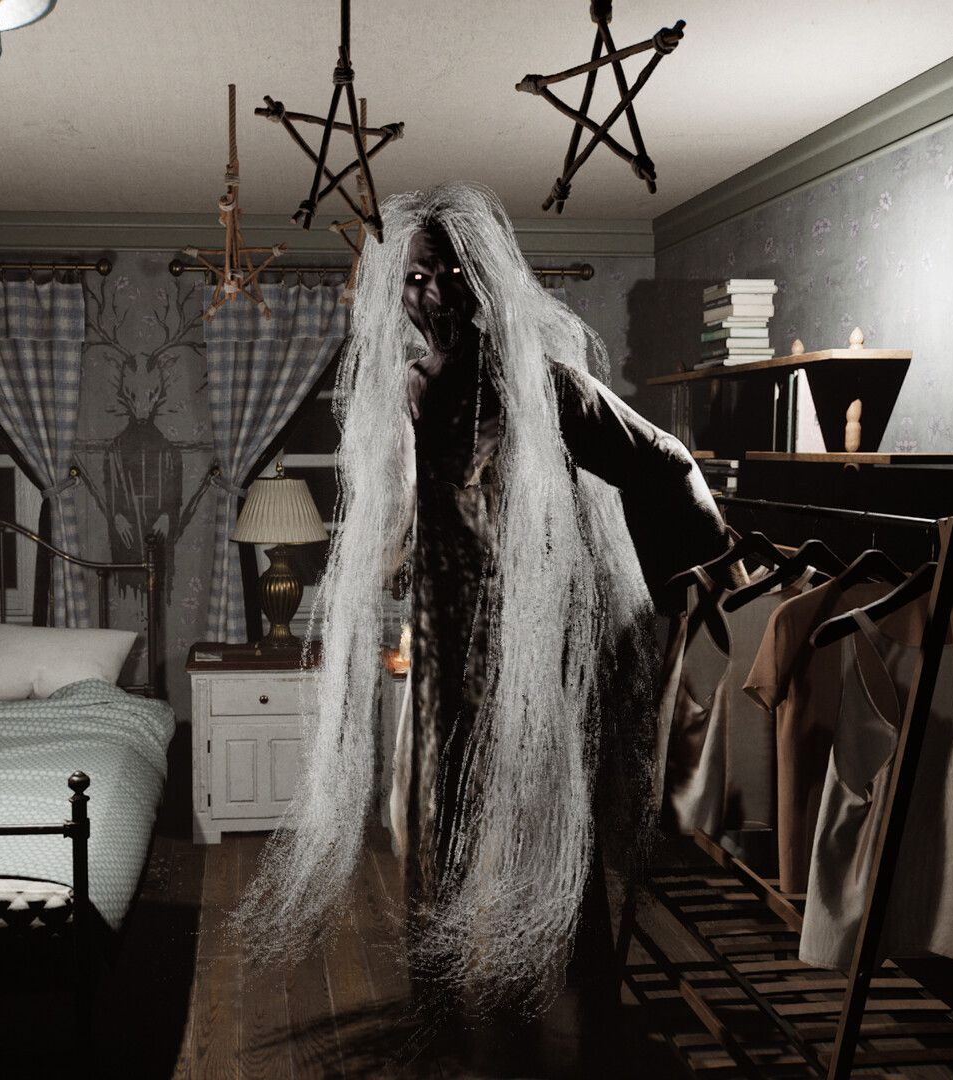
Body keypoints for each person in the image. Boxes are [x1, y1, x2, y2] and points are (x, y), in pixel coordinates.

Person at [233, 181, 729, 1014]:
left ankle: (586, 986)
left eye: (450, 274)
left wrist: (684, 587)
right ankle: (444, 988)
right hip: (443, 638)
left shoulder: (547, 387)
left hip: (537, 642)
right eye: (416, 278)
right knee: (440, 810)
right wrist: (389, 564)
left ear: (484, 280)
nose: (432, 294)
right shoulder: (412, 388)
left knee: (552, 810)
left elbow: (666, 464)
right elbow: (421, 512)